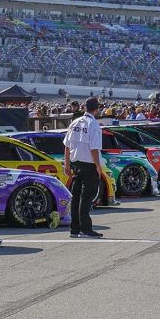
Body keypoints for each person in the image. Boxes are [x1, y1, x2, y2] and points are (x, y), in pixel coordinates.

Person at [63, 96, 105, 238]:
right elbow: (94, 149)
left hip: (76, 164)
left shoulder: (74, 122)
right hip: (89, 164)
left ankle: (74, 229)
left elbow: (67, 146)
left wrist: (67, 164)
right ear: (97, 109)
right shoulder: (93, 124)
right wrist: (98, 166)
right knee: (87, 197)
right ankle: (86, 229)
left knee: (76, 197)